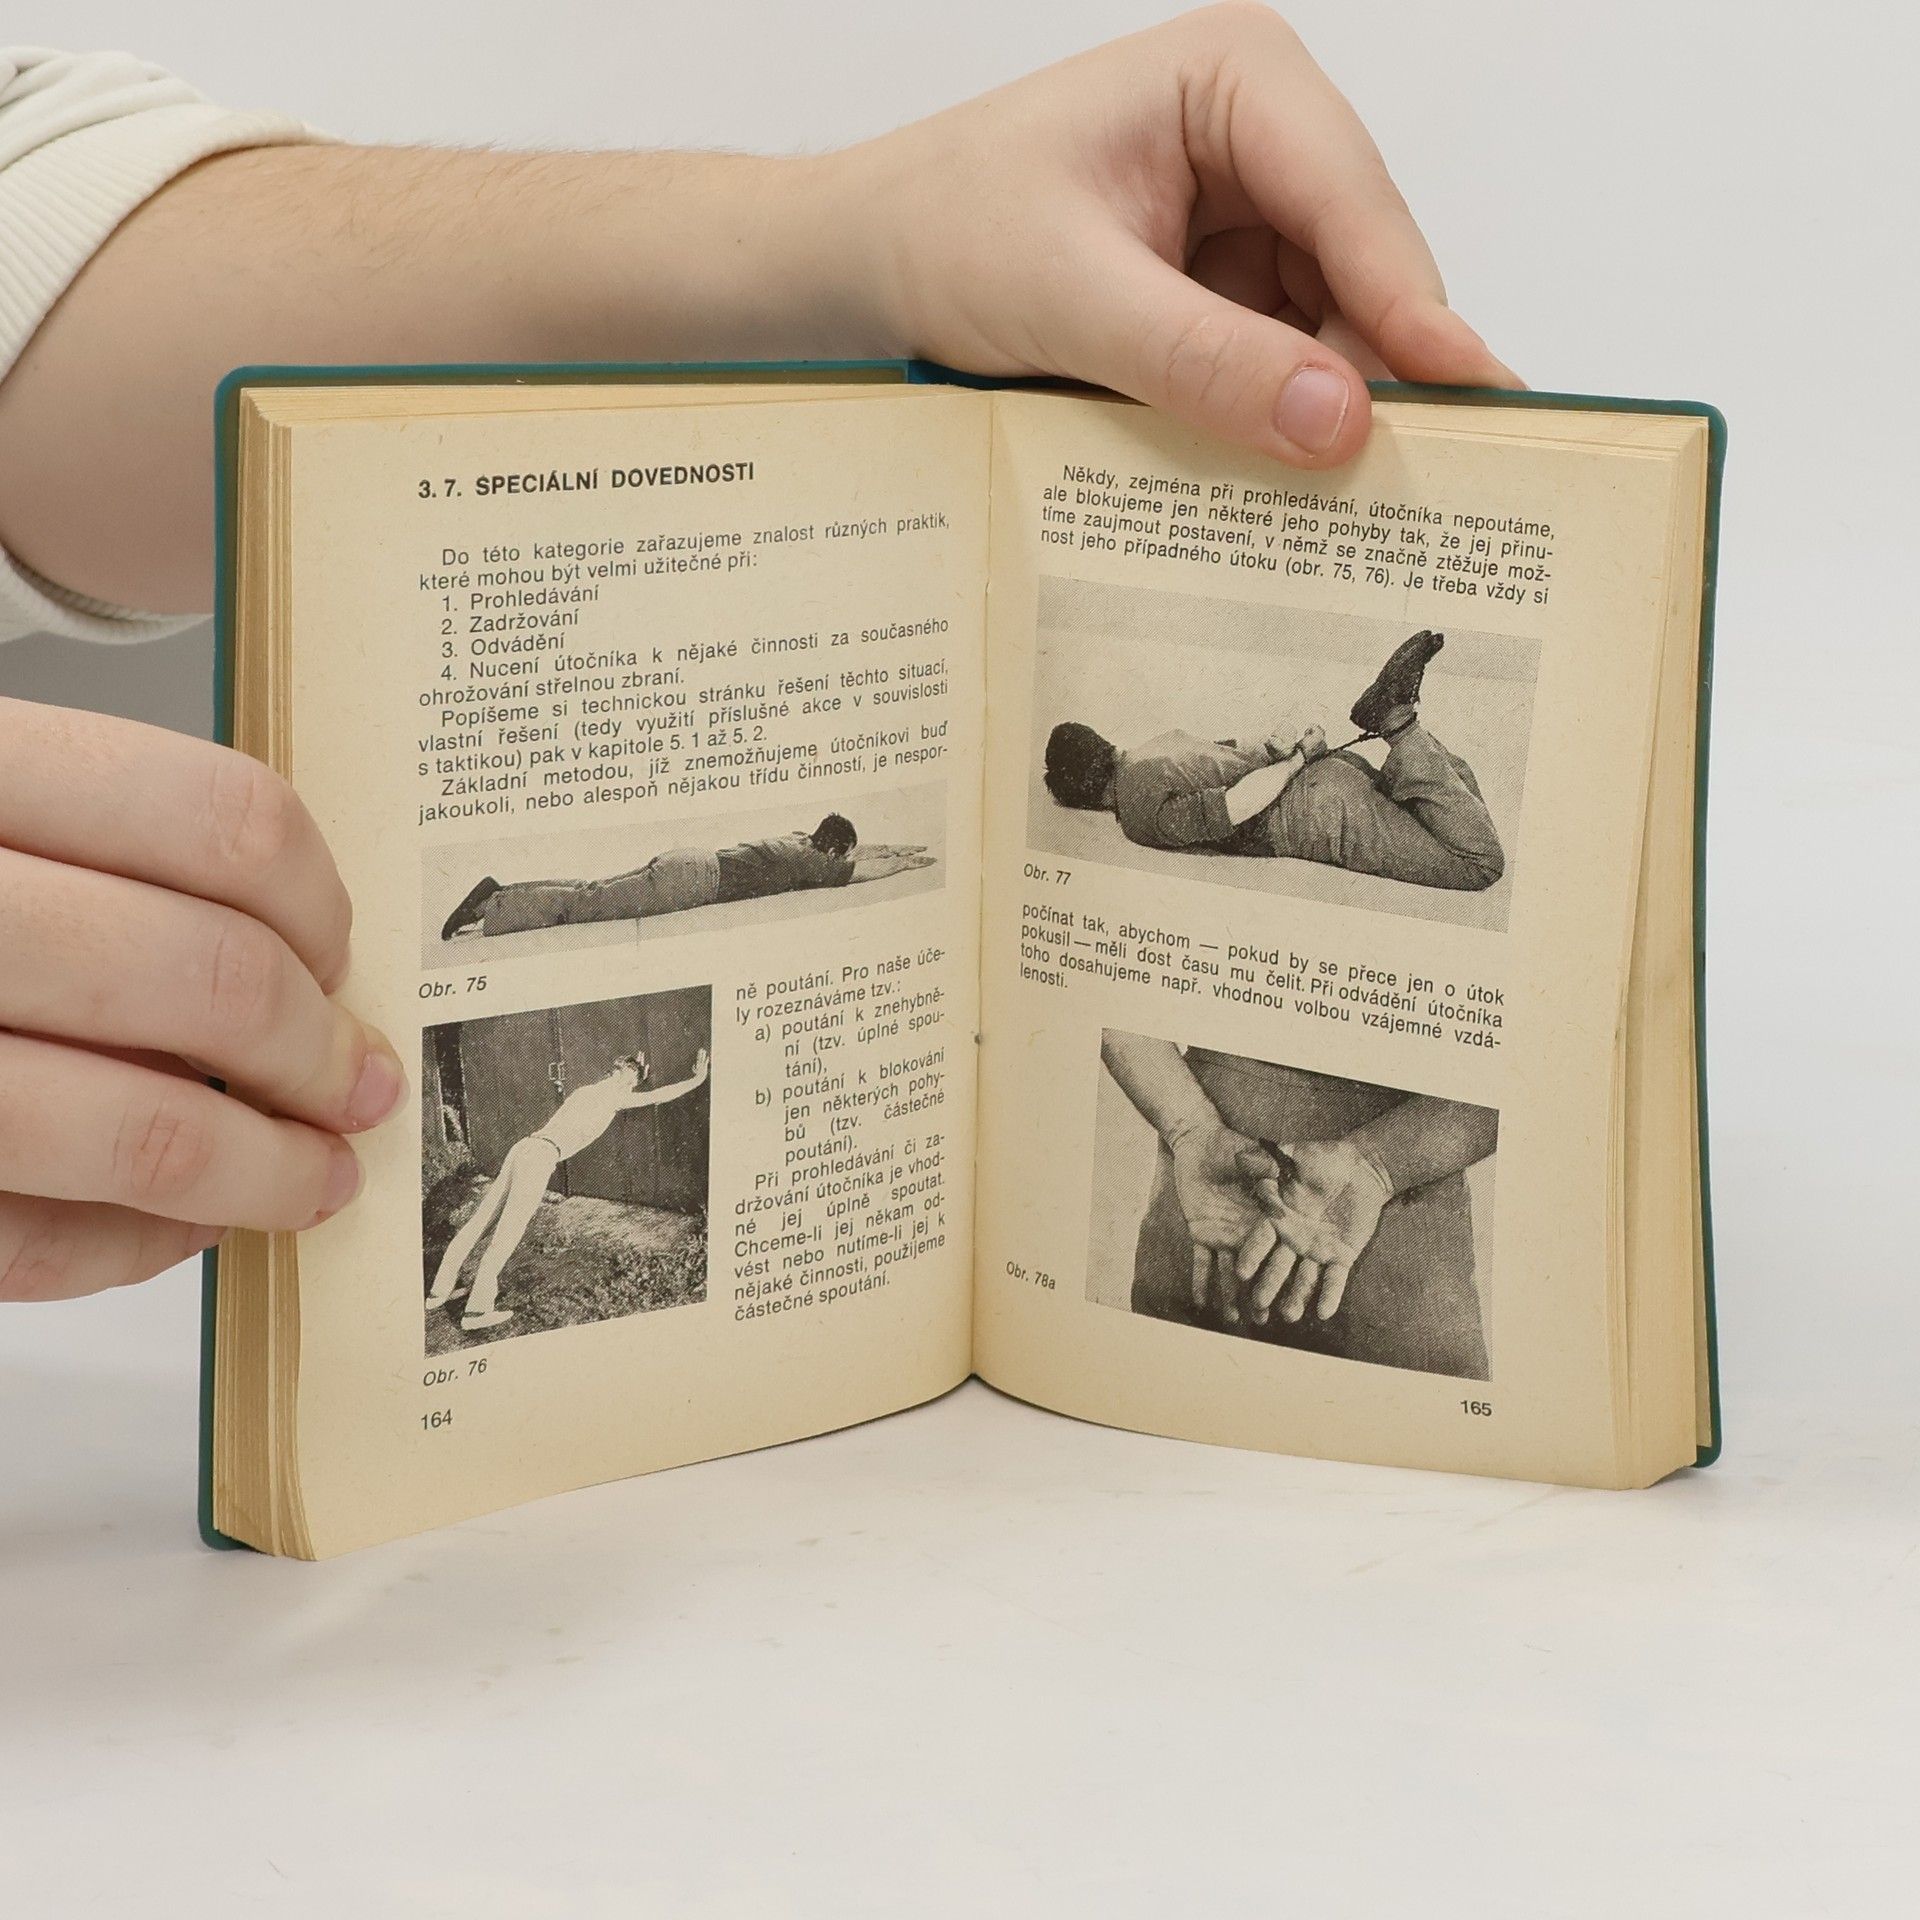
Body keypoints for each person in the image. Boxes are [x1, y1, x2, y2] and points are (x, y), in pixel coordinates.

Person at [0, 12, 1516, 1301]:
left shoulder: (841, 863)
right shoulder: (867, 857)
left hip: (691, 881)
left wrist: (858, 240)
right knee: (1464, 865)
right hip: (705, 880)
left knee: (583, 918)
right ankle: (1395, 737)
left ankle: (501, 929)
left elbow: (31, 202)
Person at [1100, 1031, 1496, 1379]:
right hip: (1393, 1201)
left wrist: (1189, 1127)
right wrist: (1377, 1165)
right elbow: (1521, 1063)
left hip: (1209, 1177)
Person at [1043, 628, 1507, 891]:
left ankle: (1398, 723)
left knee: (1478, 863)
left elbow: (1236, 807)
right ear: (1102, 743)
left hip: (1317, 814)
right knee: (1453, 806)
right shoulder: (1160, 744)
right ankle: (1404, 733)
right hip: (1330, 776)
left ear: (1081, 793)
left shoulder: (1136, 809)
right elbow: (1250, 750)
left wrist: (1295, 763)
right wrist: (1293, 752)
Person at [427, 1046, 709, 1334]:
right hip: (540, 1156)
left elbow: (621, 1084)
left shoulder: (585, 1091)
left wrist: (631, 1071)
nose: (634, 1086)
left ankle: (438, 1292)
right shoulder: (615, 1096)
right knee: (508, 1232)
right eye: (633, 1081)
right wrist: (696, 1080)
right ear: (625, 1078)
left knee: (480, 1221)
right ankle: (477, 1310)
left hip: (523, 1147)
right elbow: (658, 1096)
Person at [440, 814, 935, 940]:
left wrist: (900, 847)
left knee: (591, 890)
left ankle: (500, 894)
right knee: (588, 905)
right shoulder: (810, 863)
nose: (841, 862)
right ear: (831, 851)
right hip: (692, 885)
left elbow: (856, 855)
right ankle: (490, 906)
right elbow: (860, 871)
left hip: (688, 863)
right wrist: (902, 863)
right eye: (840, 855)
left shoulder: (799, 841)